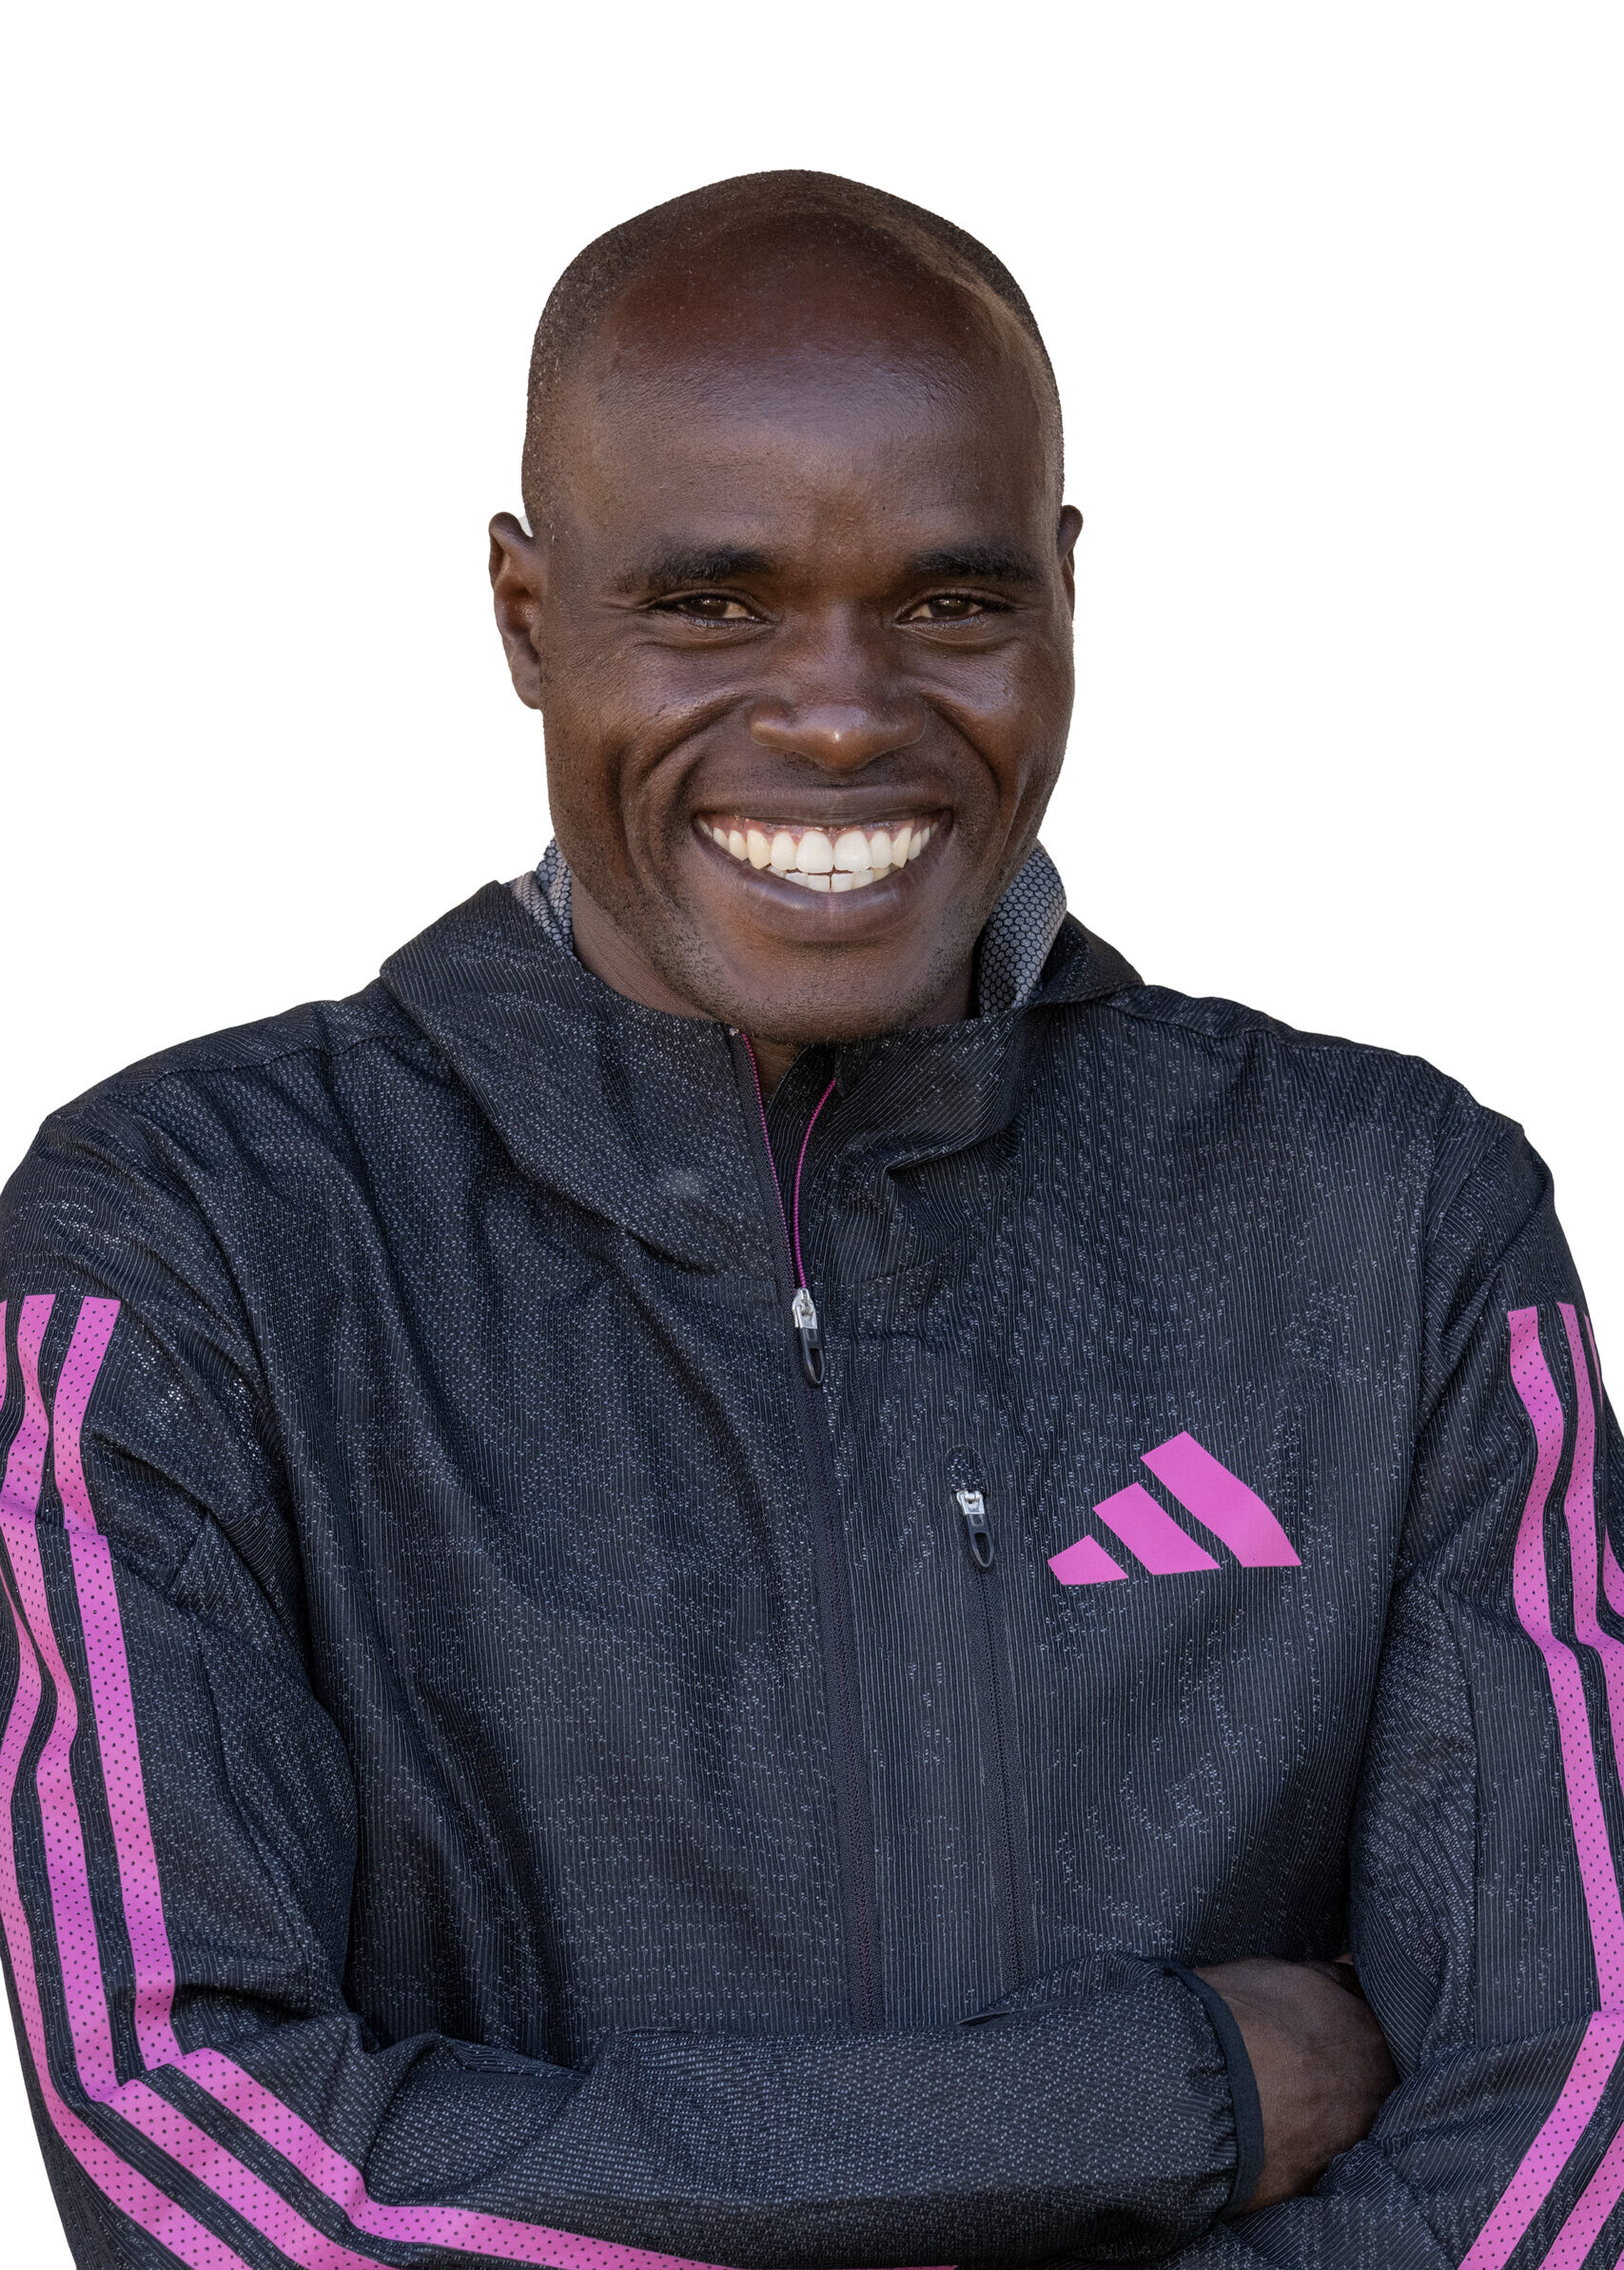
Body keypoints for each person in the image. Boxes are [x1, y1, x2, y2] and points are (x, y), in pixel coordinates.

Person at [0, 170, 1616, 2270]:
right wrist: (1158, 2092)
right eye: (711, 604)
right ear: (525, 615)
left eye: (948, 605)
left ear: (1063, 593)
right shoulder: (188, 1246)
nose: (841, 712)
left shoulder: (1396, 1224)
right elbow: (207, 2174)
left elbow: (1563, 2132)